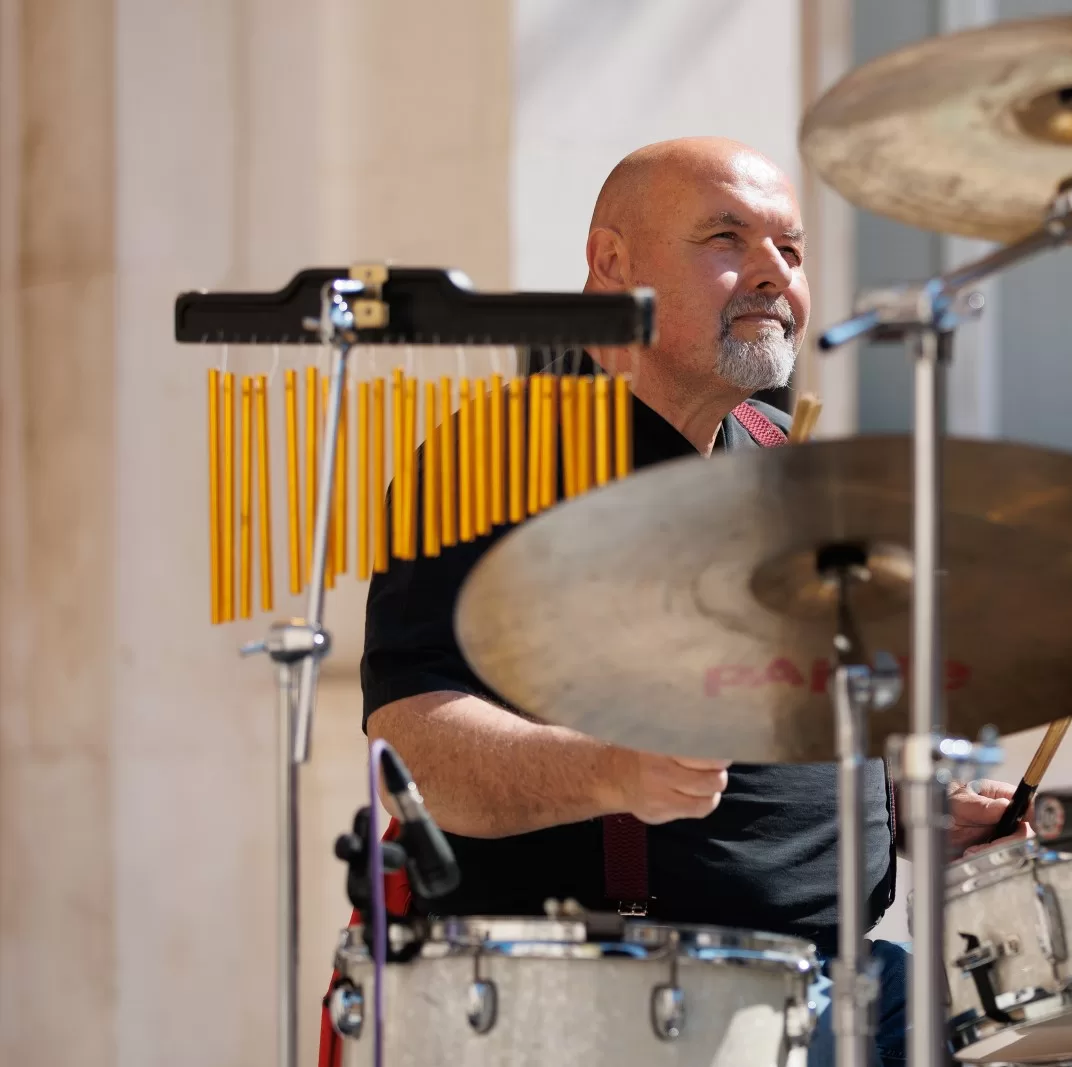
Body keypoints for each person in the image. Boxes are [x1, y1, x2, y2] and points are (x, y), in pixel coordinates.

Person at [358, 137, 1032, 1066]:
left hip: (854, 975)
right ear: (611, 262)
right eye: (727, 238)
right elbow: (414, 745)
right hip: (643, 995)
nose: (772, 273)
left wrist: (914, 812)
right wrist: (608, 772)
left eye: (790, 250)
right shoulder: (497, 463)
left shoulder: (790, 460)